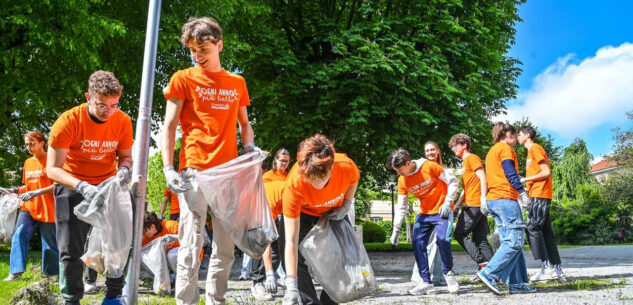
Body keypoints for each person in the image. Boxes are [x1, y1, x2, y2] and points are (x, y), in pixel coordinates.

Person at [160, 16, 259, 305]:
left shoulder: (236, 83)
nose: (197, 56)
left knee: (226, 248)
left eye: (203, 50)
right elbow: (168, 125)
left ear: (219, 45)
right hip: (195, 172)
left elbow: (244, 124)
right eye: (192, 50)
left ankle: (217, 300)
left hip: (228, 174)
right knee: (191, 244)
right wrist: (168, 167)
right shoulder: (183, 79)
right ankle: (186, 302)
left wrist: (250, 146)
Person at [46, 70, 133, 305]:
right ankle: (71, 299)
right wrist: (82, 186)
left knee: (120, 243)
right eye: (102, 106)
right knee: (70, 250)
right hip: (72, 186)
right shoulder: (68, 121)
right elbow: (52, 169)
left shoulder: (122, 121)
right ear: (88, 97)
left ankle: (114, 297)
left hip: (107, 187)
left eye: (114, 105)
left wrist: (124, 170)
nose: (108, 112)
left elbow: (125, 156)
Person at [280, 134, 359, 305]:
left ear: (331, 169)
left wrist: (346, 203)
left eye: (321, 180)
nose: (317, 186)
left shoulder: (346, 166)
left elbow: (355, 180)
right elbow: (291, 241)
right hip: (304, 213)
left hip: (333, 211)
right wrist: (291, 285)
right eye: (312, 180)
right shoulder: (293, 185)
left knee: (344, 256)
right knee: (288, 253)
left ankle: (329, 301)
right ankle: (308, 300)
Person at [386, 148, 460, 295]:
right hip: (425, 213)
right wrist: (396, 229)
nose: (398, 174)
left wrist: (447, 202)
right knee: (418, 243)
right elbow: (401, 206)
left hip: (442, 210)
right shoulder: (402, 180)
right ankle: (426, 282)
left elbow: (453, 181)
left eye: (399, 170)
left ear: (407, 163)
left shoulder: (429, 166)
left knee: (442, 239)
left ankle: (448, 273)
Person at [476, 122, 535, 295]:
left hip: (494, 201)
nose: (516, 139)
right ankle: (488, 273)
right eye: (515, 135)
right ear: (507, 134)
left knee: (510, 243)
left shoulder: (491, 152)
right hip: (505, 200)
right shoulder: (506, 149)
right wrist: (522, 193)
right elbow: (510, 173)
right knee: (515, 241)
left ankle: (517, 283)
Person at [0, 131, 59, 281]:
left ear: (42, 143)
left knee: (49, 243)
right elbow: (28, 186)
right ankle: (16, 272)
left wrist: (37, 192)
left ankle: (51, 275)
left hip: (48, 207)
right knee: (19, 234)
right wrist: (12, 190)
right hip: (29, 206)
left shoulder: (52, 160)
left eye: (31, 143)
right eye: (26, 144)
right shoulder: (28, 162)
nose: (29, 147)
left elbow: (58, 184)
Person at [518, 126, 567, 282]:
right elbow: (537, 174)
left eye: (519, 134)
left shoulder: (535, 148)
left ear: (526, 135)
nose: (518, 137)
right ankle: (557, 269)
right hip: (537, 193)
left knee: (532, 227)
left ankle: (547, 267)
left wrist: (525, 179)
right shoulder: (530, 152)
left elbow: (546, 172)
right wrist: (526, 188)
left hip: (540, 195)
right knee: (546, 232)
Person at [448, 134, 494, 271]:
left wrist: (483, 199)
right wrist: (457, 205)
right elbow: (467, 188)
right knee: (480, 238)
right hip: (474, 203)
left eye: (455, 146)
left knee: (459, 234)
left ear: (464, 145)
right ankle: (493, 270)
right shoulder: (464, 163)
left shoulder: (472, 158)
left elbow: (483, 178)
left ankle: (482, 263)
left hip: (475, 203)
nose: (453, 149)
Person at [250, 180, 284, 301]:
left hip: (274, 216)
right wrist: (270, 274)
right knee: (261, 249)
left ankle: (265, 279)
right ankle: (257, 283)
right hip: (261, 215)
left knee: (279, 250)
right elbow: (266, 245)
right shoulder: (272, 199)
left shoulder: (288, 188)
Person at [142, 211, 180, 276]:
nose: (143, 234)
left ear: (152, 227)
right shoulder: (147, 238)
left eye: (144, 231)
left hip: (185, 258)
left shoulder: (171, 226)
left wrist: (175, 237)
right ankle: (164, 277)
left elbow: (189, 239)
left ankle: (180, 278)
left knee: (172, 255)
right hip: (168, 264)